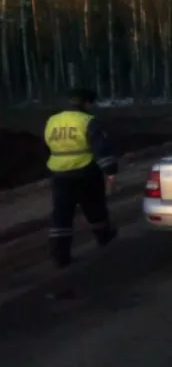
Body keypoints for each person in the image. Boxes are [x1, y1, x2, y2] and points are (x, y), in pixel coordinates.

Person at [44, 88, 118, 268]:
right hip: (85, 172)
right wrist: (110, 171)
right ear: (86, 103)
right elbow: (101, 148)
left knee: (61, 215)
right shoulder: (87, 121)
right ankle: (104, 237)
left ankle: (60, 255)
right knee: (95, 207)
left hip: (60, 174)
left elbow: (47, 145)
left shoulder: (53, 120)